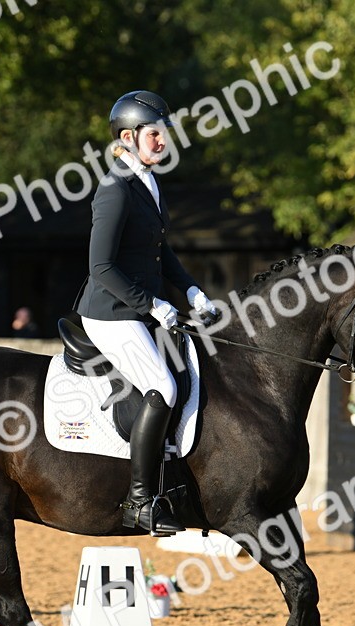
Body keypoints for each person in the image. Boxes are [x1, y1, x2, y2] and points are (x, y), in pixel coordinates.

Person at [76, 90, 217, 536]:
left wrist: (190, 289)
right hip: (111, 314)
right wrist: (152, 305)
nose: (162, 141)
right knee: (163, 385)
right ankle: (140, 501)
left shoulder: (148, 183)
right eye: (154, 134)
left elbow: (160, 249)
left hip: (139, 310)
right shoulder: (115, 189)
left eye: (163, 134)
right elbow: (100, 266)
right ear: (128, 136)